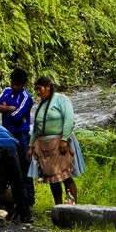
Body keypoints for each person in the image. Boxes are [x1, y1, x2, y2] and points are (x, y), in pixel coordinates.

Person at [27, 76, 85, 205]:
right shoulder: (42, 104)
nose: (38, 92)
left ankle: (72, 206)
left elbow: (69, 120)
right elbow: (36, 128)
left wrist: (64, 140)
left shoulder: (61, 99)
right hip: (44, 145)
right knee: (52, 178)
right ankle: (58, 206)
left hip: (60, 143)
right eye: (36, 89)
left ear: (48, 87)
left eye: (39, 88)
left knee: (66, 176)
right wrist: (31, 146)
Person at [0, 68, 35, 206]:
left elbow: (17, 117)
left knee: (24, 167)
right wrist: (9, 108)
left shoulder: (27, 98)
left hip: (21, 135)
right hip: (6, 133)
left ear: (23, 85)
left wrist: (5, 108)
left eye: (19, 85)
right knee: (4, 165)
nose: (15, 87)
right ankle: (6, 198)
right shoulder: (6, 91)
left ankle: (28, 200)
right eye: (14, 84)